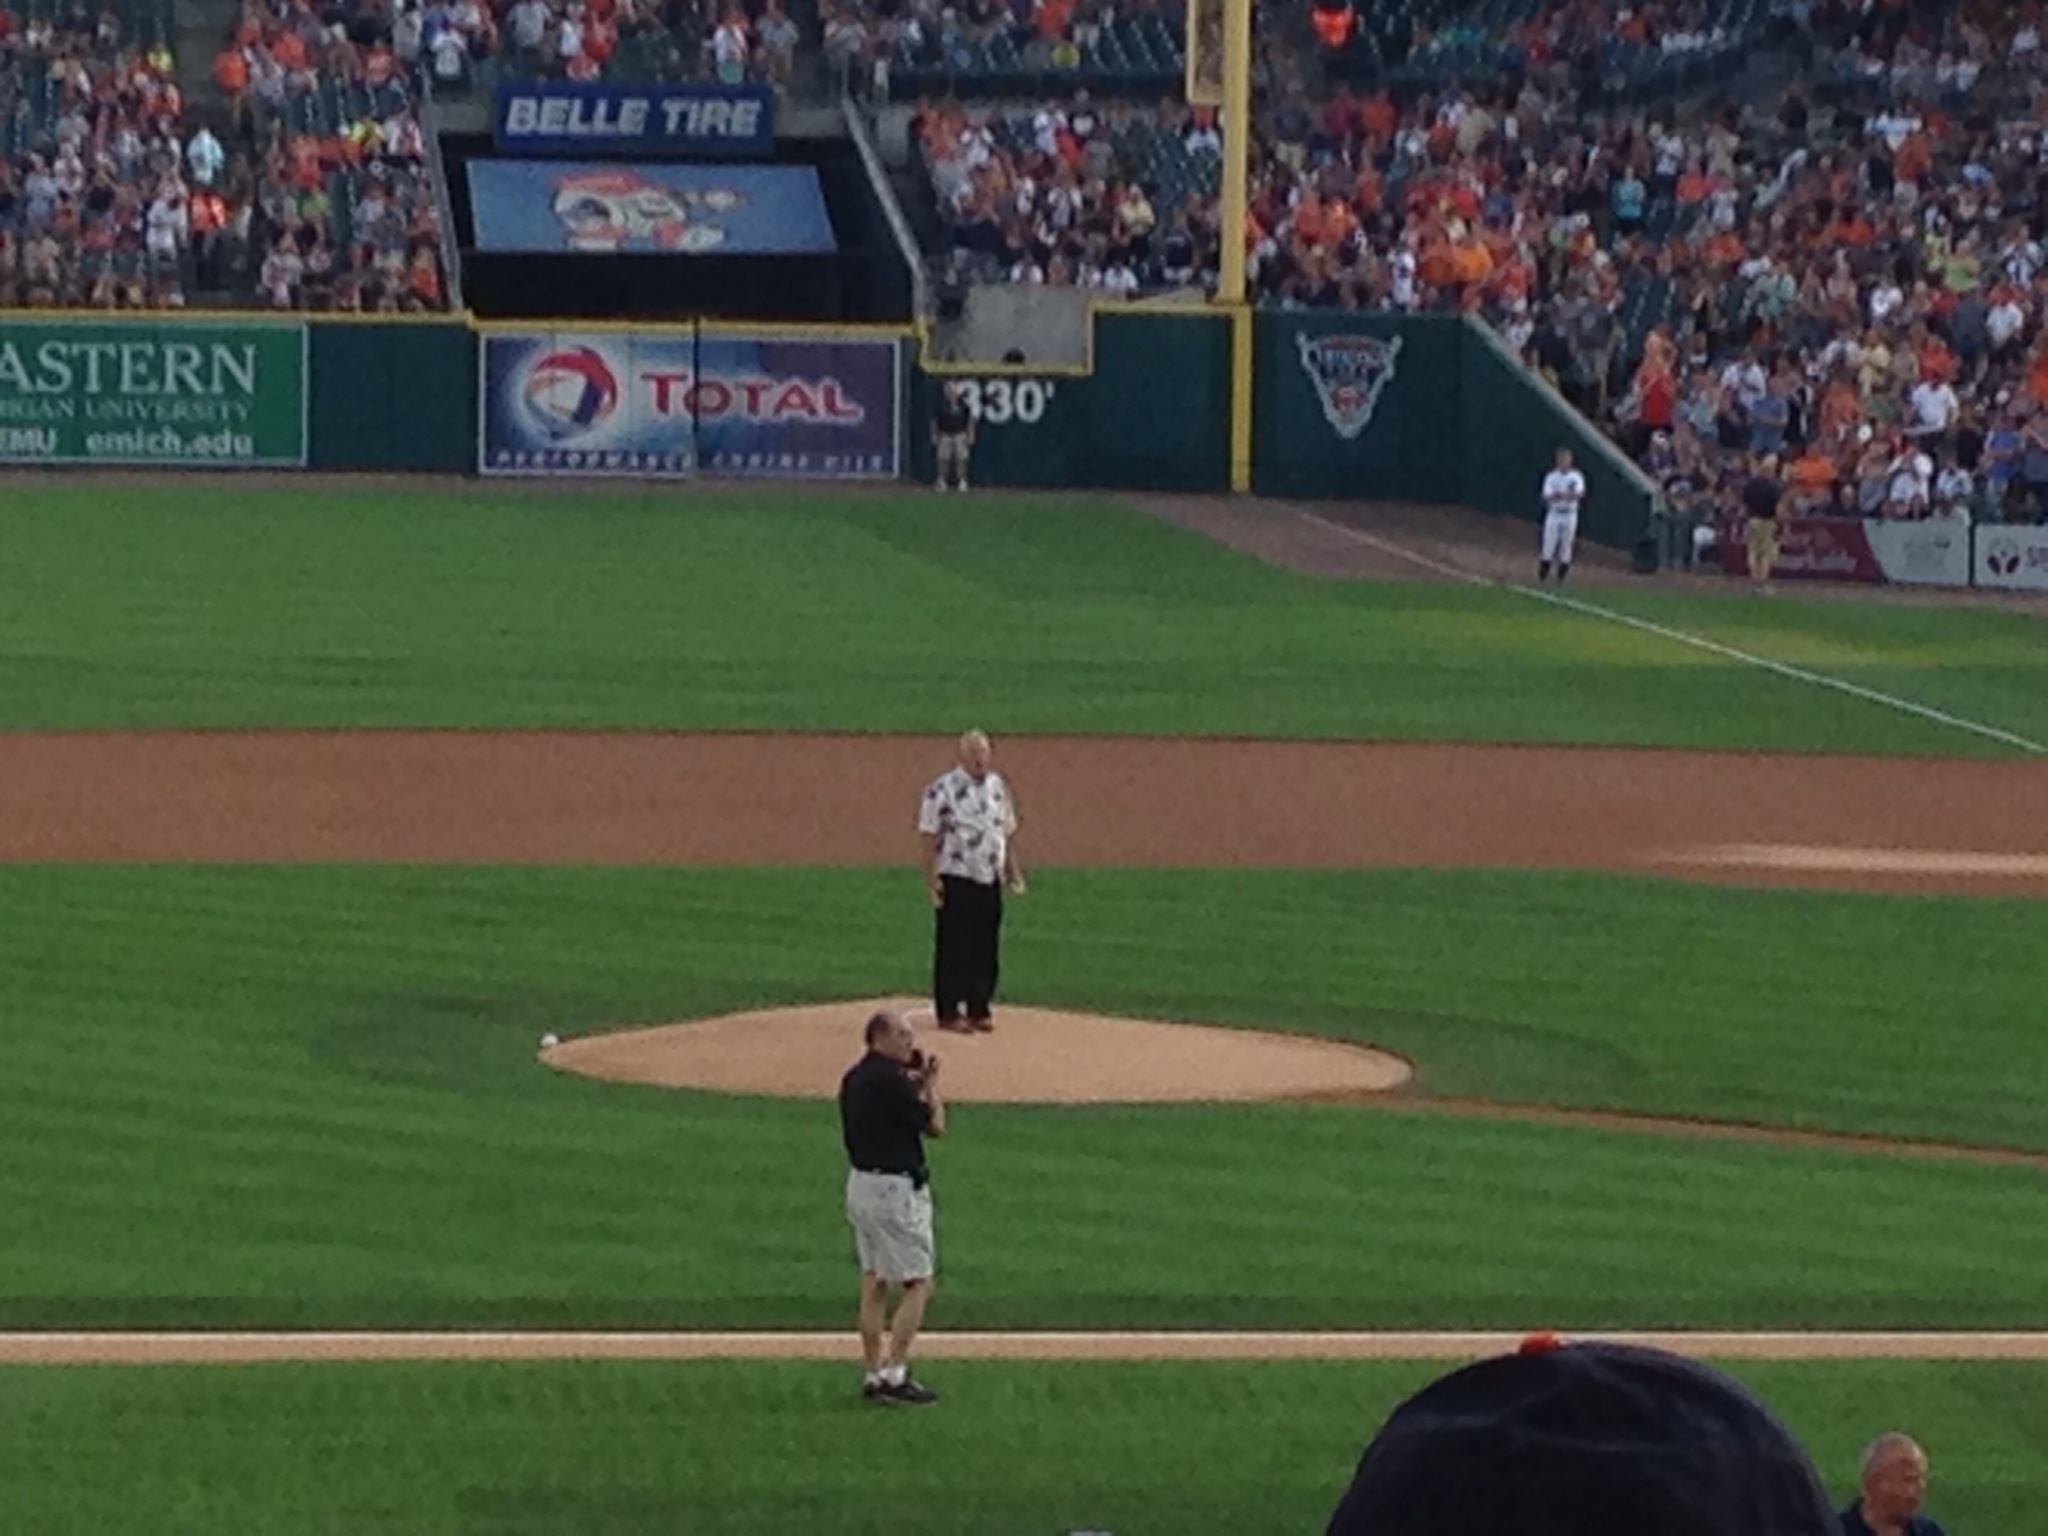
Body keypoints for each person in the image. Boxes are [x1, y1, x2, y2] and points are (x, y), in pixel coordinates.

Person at [838, 1009, 946, 1405]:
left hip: (861, 1184)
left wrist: (909, 1084)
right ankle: (895, 1372)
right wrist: (929, 1085)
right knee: (918, 1282)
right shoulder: (891, 1081)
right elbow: (935, 1125)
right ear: (880, 1037)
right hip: (894, 1190)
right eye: (902, 1034)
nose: (909, 1042)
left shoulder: (854, 1078)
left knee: (874, 1280)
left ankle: (872, 1372)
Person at [917, 730, 1024, 1034]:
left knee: (985, 945)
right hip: (956, 875)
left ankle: (979, 1007)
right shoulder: (942, 789)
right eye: (974, 751)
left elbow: (1004, 831)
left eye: (983, 751)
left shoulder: (997, 786)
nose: (979, 757)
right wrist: (931, 879)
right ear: (961, 754)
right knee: (954, 945)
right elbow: (928, 835)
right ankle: (949, 1011)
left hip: (989, 875)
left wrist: (1013, 870)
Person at [1839, 1434, 1947, 1536]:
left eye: (1920, 1479)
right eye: (1908, 1480)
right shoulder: (1836, 1530)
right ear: (1873, 1484)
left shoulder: (1929, 1532)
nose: (1919, 1488)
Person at [1538, 446, 1586, 583]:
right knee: (1548, 543)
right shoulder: (1551, 477)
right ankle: (1543, 574)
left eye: (1566, 459)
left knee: (1566, 544)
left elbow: (1579, 494)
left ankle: (1561, 578)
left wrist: (1563, 495)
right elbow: (1547, 495)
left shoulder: (1576, 476)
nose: (1564, 462)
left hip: (1570, 513)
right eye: (1561, 459)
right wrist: (1562, 495)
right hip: (1554, 512)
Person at [932, 380, 975, 492]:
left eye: (953, 391)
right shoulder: (940, 405)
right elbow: (935, 422)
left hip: (960, 434)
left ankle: (962, 481)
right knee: (943, 458)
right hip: (945, 434)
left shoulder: (963, 405)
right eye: (948, 391)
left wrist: (970, 435)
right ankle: (942, 480)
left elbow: (970, 421)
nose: (951, 393)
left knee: (962, 457)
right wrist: (935, 435)